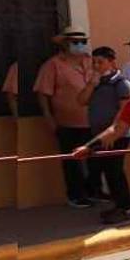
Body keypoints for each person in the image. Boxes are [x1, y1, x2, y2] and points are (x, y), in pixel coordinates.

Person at [34, 25, 94, 208]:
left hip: (93, 121)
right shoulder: (53, 65)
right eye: (75, 42)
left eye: (82, 42)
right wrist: (49, 119)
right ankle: (75, 195)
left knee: (96, 160)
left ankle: (94, 191)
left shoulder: (91, 61)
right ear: (65, 44)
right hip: (67, 122)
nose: (80, 45)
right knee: (71, 162)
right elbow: (43, 93)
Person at [77, 46, 130, 224]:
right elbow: (81, 101)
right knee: (108, 172)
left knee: (115, 171)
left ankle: (126, 207)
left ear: (111, 62)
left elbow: (125, 111)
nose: (96, 65)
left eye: (100, 62)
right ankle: (118, 205)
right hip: (99, 134)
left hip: (117, 135)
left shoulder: (121, 83)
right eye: (94, 62)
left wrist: (113, 134)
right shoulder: (96, 83)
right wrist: (91, 84)